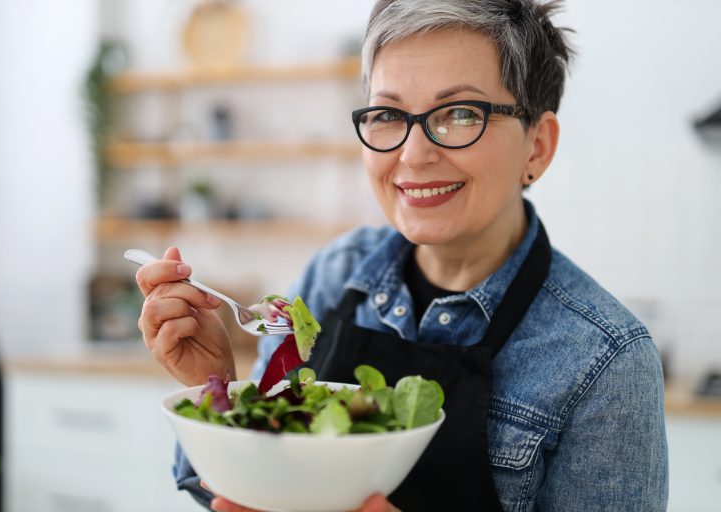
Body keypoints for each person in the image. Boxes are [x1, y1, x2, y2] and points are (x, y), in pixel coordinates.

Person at [135, 0, 669, 510]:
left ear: (538, 146)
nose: (414, 155)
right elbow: (236, 491)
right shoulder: (335, 273)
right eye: (388, 113)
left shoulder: (605, 362)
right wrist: (222, 390)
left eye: (460, 113)